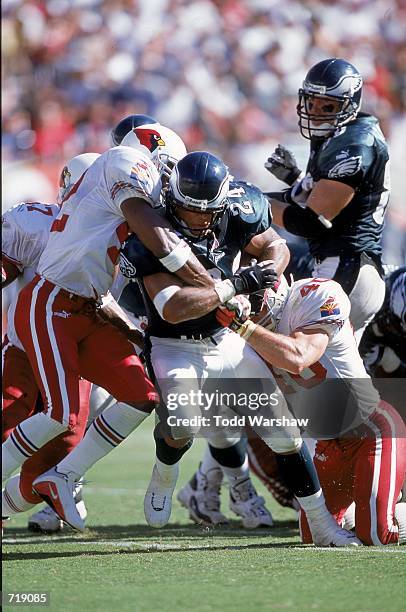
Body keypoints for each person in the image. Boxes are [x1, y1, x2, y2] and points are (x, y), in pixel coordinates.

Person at [109, 151, 359, 545]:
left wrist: (266, 276)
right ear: (173, 201)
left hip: (228, 339)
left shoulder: (238, 211)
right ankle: (165, 471)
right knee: (183, 426)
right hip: (173, 344)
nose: (196, 220)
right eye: (188, 210)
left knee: (285, 435)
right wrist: (234, 286)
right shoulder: (151, 233)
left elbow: (277, 248)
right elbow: (173, 308)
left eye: (205, 212)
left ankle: (323, 526)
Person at [2, 123, 200, 531]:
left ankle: (58, 481)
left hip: (85, 314)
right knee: (54, 414)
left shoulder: (118, 213)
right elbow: (161, 242)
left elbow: (109, 290)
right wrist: (214, 285)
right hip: (42, 316)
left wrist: (133, 332)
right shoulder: (123, 171)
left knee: (134, 397)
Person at [213, 275, 406, 545]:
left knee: (376, 534)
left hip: (369, 430)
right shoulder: (242, 337)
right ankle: (369, 507)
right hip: (328, 445)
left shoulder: (313, 295)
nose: (251, 310)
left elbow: (298, 358)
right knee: (314, 534)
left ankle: (380, 511)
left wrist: (243, 328)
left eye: (256, 301)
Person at [1, 154, 99, 531]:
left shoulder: (119, 233)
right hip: (26, 350)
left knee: (64, 444)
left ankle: (40, 493)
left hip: (77, 355)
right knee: (7, 418)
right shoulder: (36, 223)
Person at [265, 58, 389, 344]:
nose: (318, 112)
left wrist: (253, 203)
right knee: (341, 379)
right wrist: (296, 180)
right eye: (313, 103)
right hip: (350, 267)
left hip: (346, 267)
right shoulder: (340, 135)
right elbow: (311, 199)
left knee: (291, 360)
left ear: (349, 104)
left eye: (328, 106)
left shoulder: (354, 145)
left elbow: (311, 221)